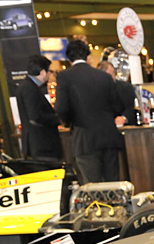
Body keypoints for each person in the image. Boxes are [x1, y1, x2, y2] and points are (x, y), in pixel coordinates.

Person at [54, 38, 127, 182]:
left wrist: (68, 123)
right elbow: (117, 106)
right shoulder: (105, 77)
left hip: (84, 138)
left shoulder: (64, 77)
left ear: (69, 58)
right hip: (109, 137)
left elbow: (61, 108)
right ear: (88, 56)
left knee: (93, 187)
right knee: (113, 184)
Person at [16, 55, 63, 160]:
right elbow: (35, 116)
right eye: (49, 71)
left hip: (39, 144)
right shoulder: (29, 88)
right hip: (42, 145)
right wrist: (58, 118)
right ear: (42, 72)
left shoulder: (27, 86)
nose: (50, 74)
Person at [100, 54, 139, 127]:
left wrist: (124, 118)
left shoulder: (126, 87)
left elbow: (131, 107)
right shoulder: (96, 91)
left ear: (114, 74)